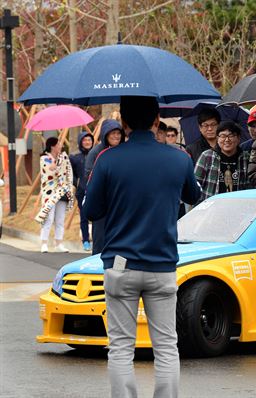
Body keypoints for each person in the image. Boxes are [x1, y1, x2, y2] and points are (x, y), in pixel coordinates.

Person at [83, 96, 201, 398]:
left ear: (123, 122)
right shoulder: (179, 158)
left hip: (120, 264)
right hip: (162, 264)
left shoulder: (107, 159)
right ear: (155, 119)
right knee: (165, 346)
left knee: (121, 347)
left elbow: (92, 211)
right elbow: (194, 194)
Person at [84, 120, 124, 255]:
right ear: (105, 134)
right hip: (101, 204)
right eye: (113, 133)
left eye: (118, 133)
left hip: (120, 204)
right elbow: (89, 175)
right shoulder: (96, 152)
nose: (116, 136)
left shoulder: (124, 150)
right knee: (100, 241)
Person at [194, 121, 250, 203]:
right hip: (211, 208)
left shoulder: (246, 158)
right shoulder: (207, 156)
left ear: (238, 138)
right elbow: (196, 185)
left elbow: (251, 187)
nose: (227, 140)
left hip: (239, 206)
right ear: (217, 139)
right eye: (223, 136)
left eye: (231, 136)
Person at [36, 137, 74, 253]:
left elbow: (68, 172)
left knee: (60, 219)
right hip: (50, 192)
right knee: (49, 218)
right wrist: (56, 166)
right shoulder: (44, 158)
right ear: (52, 146)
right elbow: (50, 173)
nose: (60, 146)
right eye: (58, 144)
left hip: (62, 191)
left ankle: (59, 243)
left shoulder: (63, 157)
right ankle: (44, 243)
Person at [69, 131, 95, 251]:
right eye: (85, 140)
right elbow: (70, 174)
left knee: (97, 217)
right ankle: (85, 240)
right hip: (82, 191)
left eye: (89, 140)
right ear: (80, 142)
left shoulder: (97, 154)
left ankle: (97, 239)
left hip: (96, 190)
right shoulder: (74, 157)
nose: (87, 142)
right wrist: (78, 184)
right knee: (84, 217)